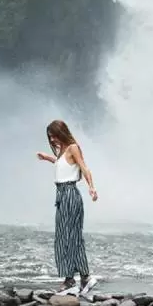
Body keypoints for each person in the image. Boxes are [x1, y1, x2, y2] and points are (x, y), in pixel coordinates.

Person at [36, 119, 99, 295]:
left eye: (55, 136)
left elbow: (84, 169)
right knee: (67, 237)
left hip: (70, 193)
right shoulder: (61, 151)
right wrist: (47, 157)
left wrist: (92, 188)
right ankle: (80, 278)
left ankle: (72, 279)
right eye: (50, 137)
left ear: (62, 133)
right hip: (61, 195)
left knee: (68, 237)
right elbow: (63, 167)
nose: (53, 139)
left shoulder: (73, 148)